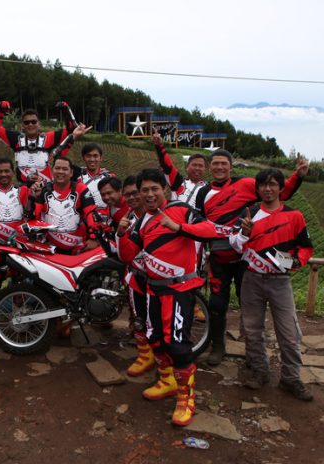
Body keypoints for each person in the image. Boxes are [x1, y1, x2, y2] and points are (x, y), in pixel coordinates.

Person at [115, 168, 230, 426]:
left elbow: (211, 230)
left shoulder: (181, 209)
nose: (149, 194)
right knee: (155, 338)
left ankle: (186, 398)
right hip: (153, 289)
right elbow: (127, 255)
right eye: (144, 190)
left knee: (177, 344)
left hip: (179, 290)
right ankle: (167, 381)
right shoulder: (141, 222)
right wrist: (121, 234)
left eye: (154, 189)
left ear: (164, 189)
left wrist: (179, 227)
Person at [195, 150, 309, 366]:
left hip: (246, 259)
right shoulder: (203, 193)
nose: (219, 167)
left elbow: (278, 193)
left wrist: (298, 176)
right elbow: (199, 224)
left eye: (224, 163)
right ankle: (218, 346)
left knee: (249, 307)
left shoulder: (246, 184)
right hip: (218, 258)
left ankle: (252, 351)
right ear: (210, 167)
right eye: (215, 163)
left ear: (231, 166)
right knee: (217, 304)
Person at [229, 168, 314, 401]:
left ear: (280, 188)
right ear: (257, 189)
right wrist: (244, 233)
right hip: (252, 279)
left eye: (273, 184)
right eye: (263, 185)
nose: (268, 189)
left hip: (280, 281)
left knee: (289, 332)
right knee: (252, 328)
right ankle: (260, 371)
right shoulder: (249, 213)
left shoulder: (294, 216)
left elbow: (306, 247)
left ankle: (291, 378)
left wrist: (296, 262)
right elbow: (234, 244)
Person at [113, 176, 152, 377]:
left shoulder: (158, 215)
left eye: (135, 193)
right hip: (136, 275)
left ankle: (164, 358)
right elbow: (123, 255)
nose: (132, 198)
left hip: (159, 278)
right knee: (138, 318)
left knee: (158, 320)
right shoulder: (126, 220)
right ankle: (144, 355)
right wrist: (120, 232)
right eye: (127, 194)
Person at [0, 100, 80, 184]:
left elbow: (72, 128)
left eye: (33, 122)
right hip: (24, 189)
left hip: (45, 188)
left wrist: (66, 109)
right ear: (22, 125)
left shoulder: (48, 138)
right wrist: (1, 109)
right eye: (26, 122)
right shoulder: (15, 139)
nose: (30, 124)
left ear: (39, 124)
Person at [32, 156, 99, 253]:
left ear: (71, 173)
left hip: (78, 246)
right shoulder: (44, 190)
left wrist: (93, 238)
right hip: (49, 245)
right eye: (57, 168)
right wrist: (32, 198)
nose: (60, 171)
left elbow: (91, 213)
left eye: (65, 169)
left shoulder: (81, 189)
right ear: (52, 170)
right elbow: (35, 215)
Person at [0, 157, 33, 243]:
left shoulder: (23, 190)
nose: (3, 174)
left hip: (19, 242)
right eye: (0, 171)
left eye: (7, 171)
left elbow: (31, 214)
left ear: (13, 172)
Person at [152, 132, 207, 207]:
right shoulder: (178, 181)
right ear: (187, 167)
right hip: (175, 214)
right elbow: (167, 165)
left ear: (205, 169)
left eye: (200, 166)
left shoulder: (209, 189)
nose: (197, 168)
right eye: (194, 165)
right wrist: (159, 145)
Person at [75, 142, 115, 220]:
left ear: (101, 158)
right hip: (84, 221)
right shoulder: (77, 178)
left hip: (106, 221)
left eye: (95, 156)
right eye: (88, 156)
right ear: (83, 157)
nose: (92, 159)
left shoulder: (110, 177)